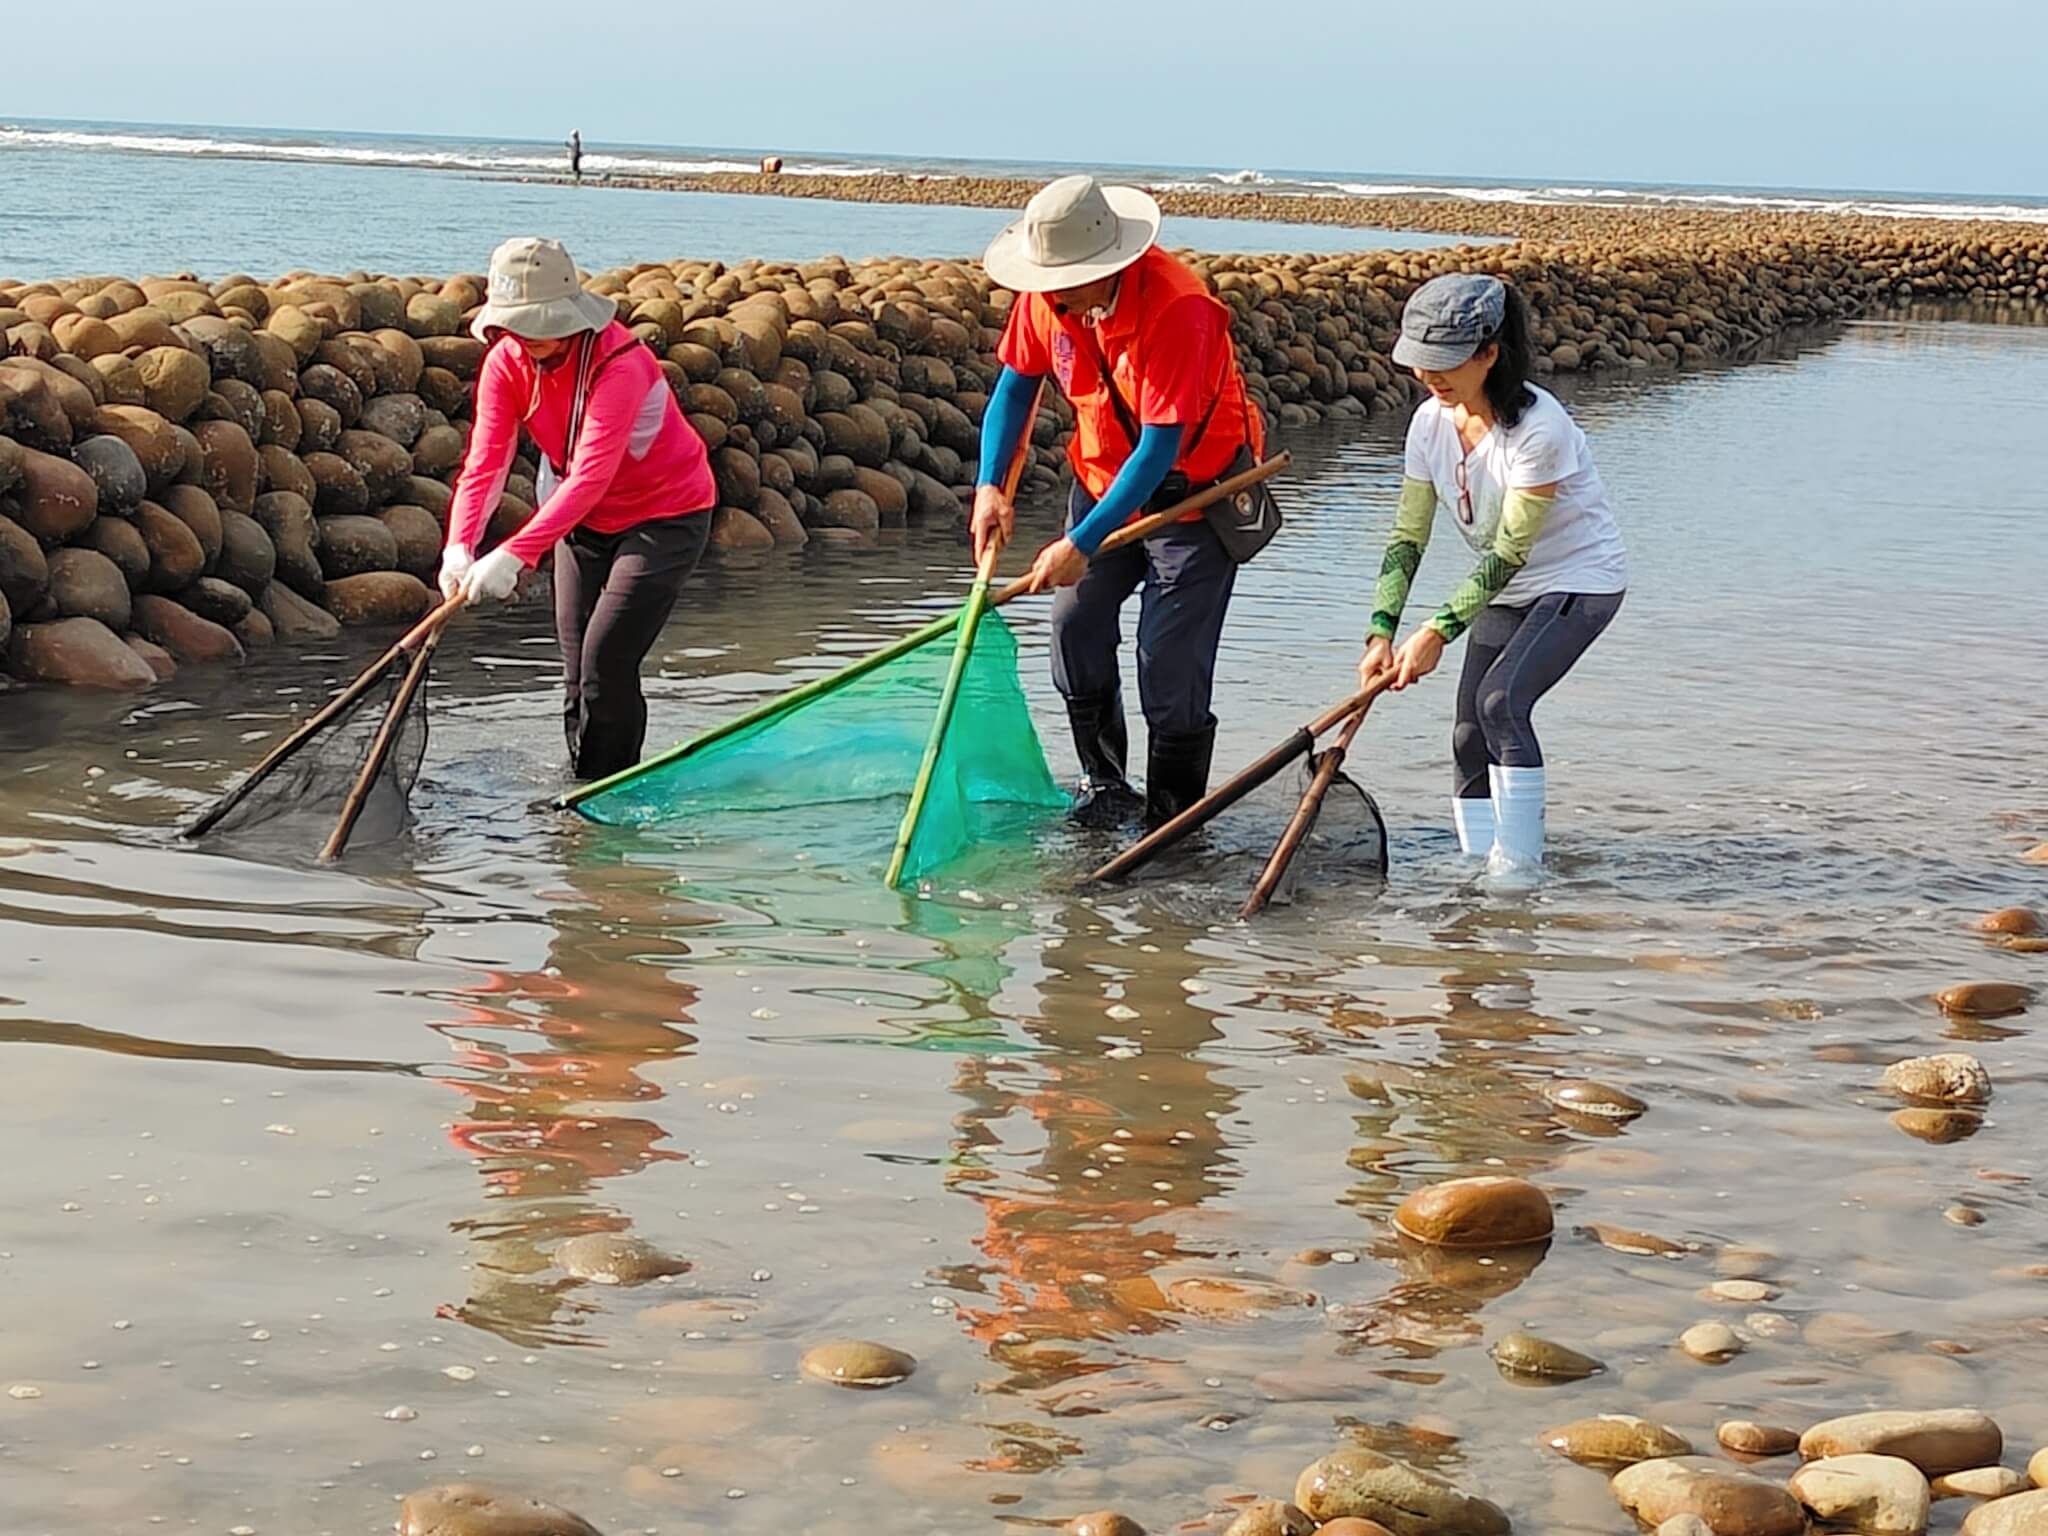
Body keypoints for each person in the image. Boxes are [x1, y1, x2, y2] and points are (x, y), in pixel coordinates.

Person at [972, 175, 1266, 828]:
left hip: (1195, 499)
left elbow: (1160, 446)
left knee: (1168, 663)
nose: (1050, 296)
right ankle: (1106, 786)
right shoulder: (1045, 299)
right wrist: (992, 485)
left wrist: (1081, 542)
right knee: (1074, 625)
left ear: (1110, 265)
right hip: (1102, 483)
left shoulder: (1176, 307)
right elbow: (1016, 390)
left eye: (1066, 281)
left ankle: (1172, 820)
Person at [1359, 272, 1627, 878]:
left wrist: (1435, 632)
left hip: (1578, 581)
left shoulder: (1540, 430)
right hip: (1508, 589)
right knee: (1465, 735)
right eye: (1419, 362)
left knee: (1502, 702)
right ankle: (1476, 866)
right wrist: (1381, 630)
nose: (1428, 377)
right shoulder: (1429, 423)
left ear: (1488, 354)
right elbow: (1409, 534)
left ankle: (1519, 871)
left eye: (1443, 363)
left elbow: (1509, 552)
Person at [441, 236, 717, 781]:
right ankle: (582, 785)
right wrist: (460, 545)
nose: (524, 338)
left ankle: (608, 793)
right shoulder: (505, 363)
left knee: (605, 664)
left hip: (666, 517)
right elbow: (486, 464)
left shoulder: (620, 363)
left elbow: (592, 475)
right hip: (581, 523)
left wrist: (516, 555)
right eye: (514, 326)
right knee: (575, 672)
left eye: (538, 325)